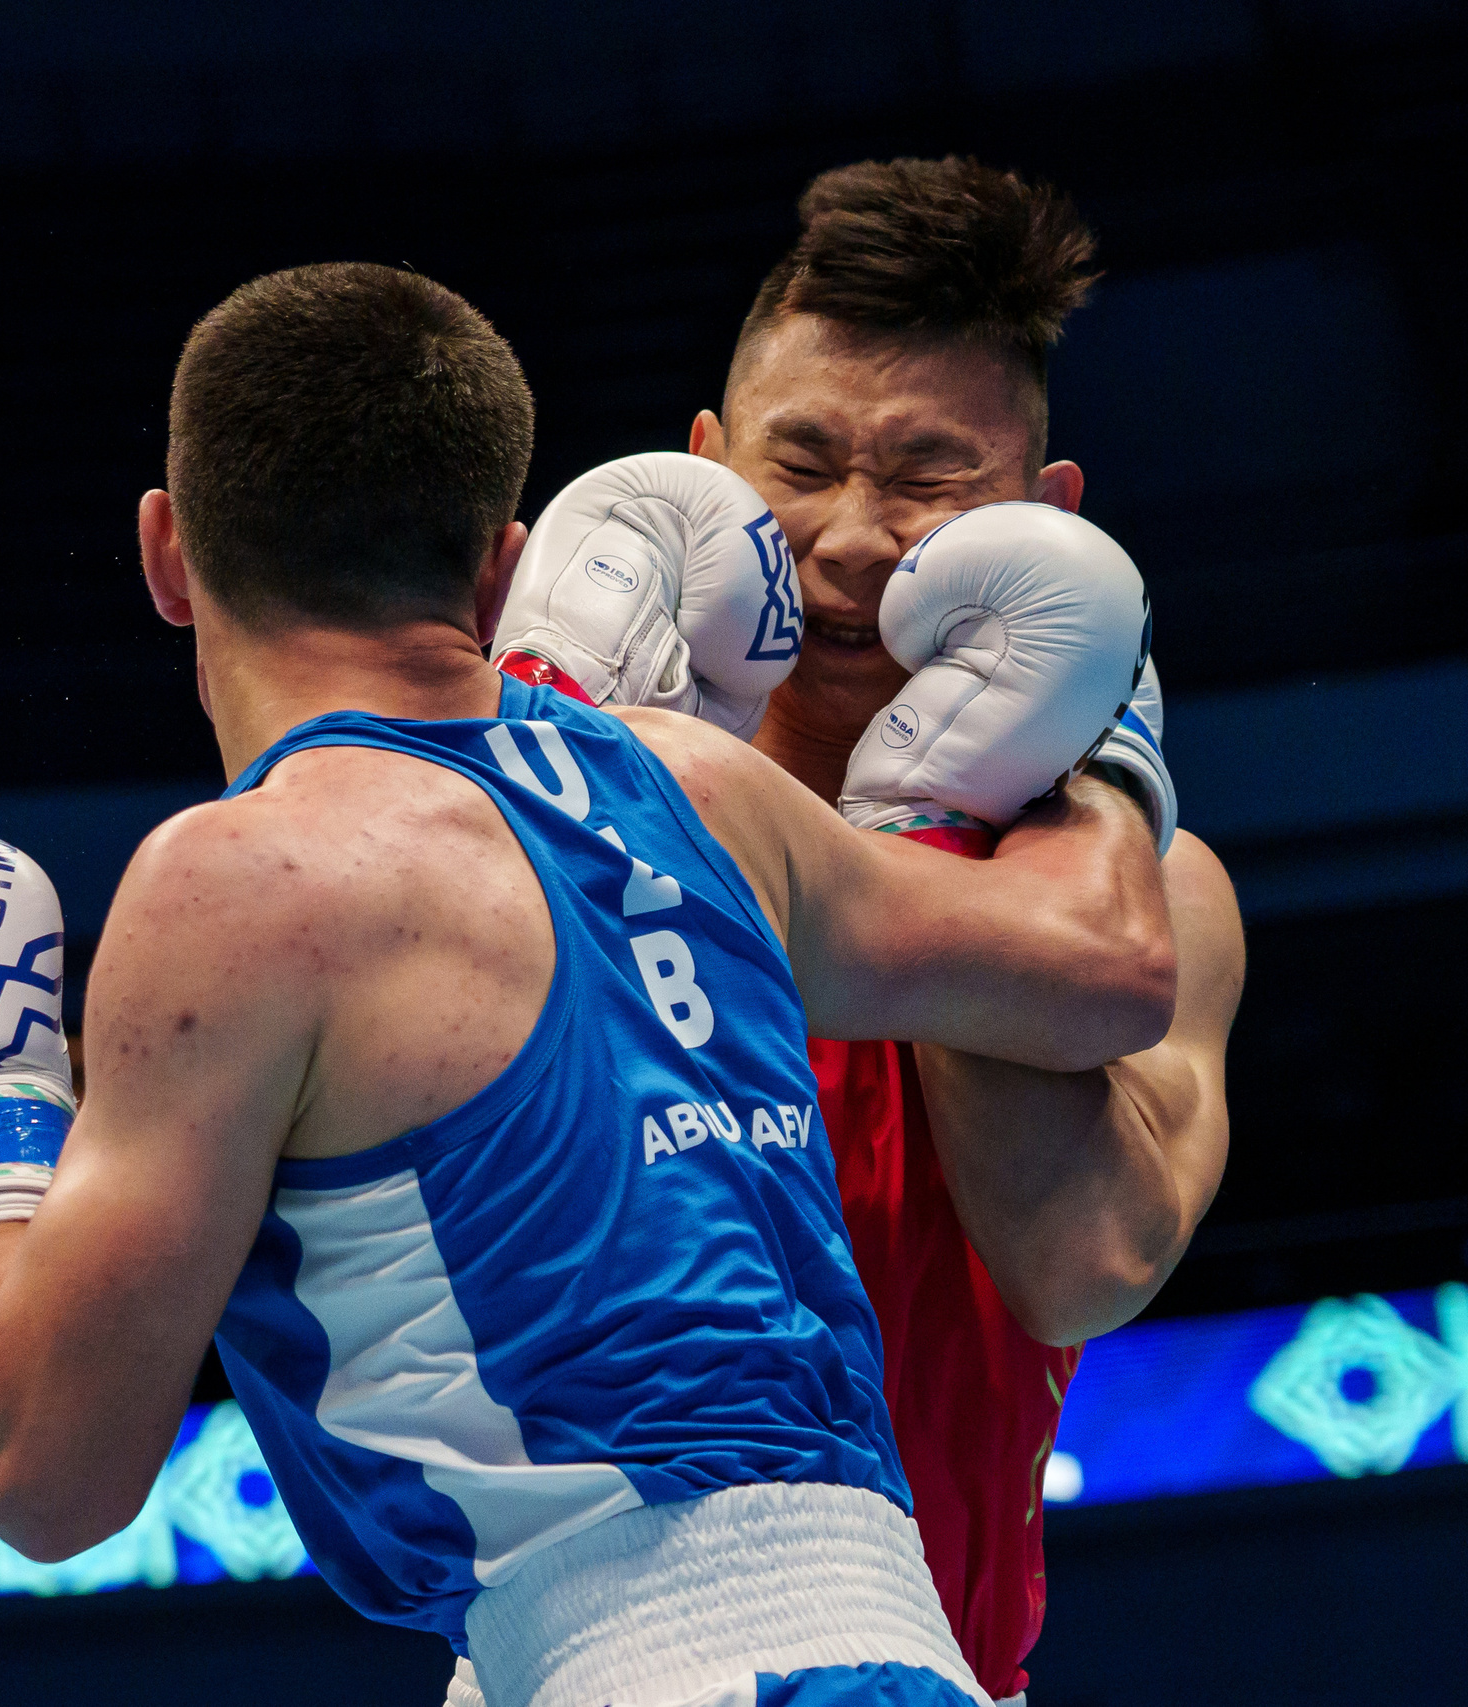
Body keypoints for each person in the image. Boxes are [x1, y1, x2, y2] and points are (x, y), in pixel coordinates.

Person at [0, 261, 1174, 1706]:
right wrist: (1103, 730)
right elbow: (1102, 974)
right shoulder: (697, 784)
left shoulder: (238, 884)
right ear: (500, 565)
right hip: (895, 1655)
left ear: (167, 556)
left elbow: (45, 1477)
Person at [495, 158, 1246, 1704]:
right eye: (803, 461)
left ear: (1048, 528)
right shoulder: (568, 821)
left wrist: (938, 816)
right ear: (698, 471)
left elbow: (1084, 1260)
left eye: (925, 479)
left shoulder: (1151, 902)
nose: (848, 539)